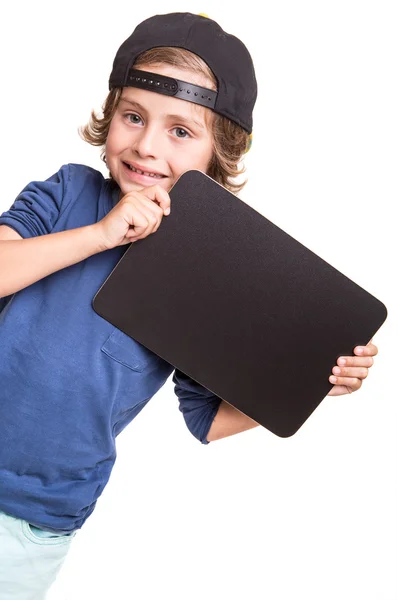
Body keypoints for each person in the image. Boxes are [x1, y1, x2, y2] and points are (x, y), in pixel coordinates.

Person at [0, 11, 378, 599]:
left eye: (181, 131)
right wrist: (100, 234)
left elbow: (209, 421)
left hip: (36, 523)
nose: (146, 145)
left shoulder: (206, 273)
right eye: (132, 117)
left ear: (216, 154)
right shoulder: (69, 193)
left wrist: (313, 382)